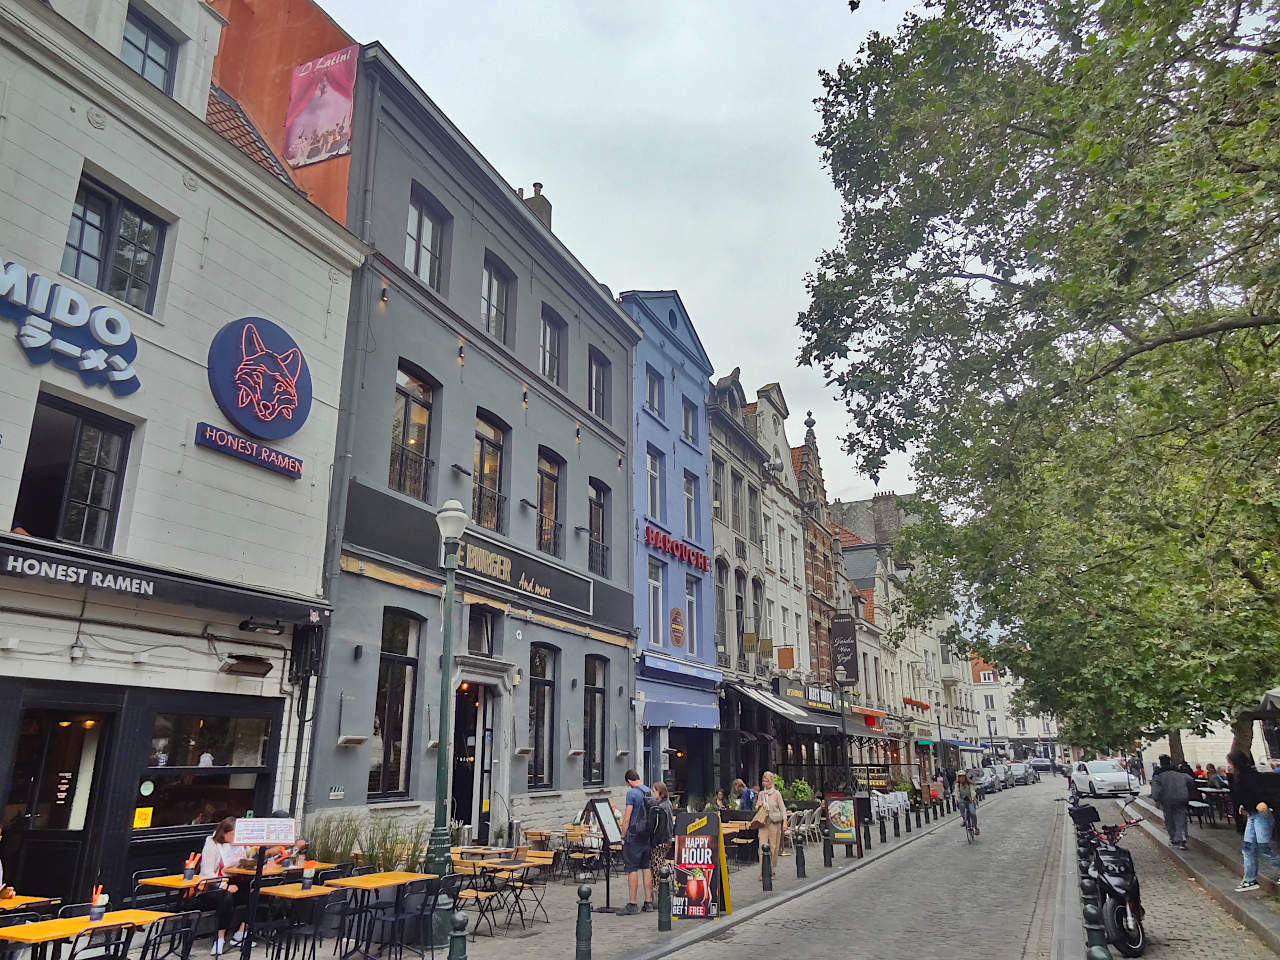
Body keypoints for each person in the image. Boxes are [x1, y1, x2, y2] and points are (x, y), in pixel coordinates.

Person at [1227, 751, 1280, 892]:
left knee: (1264, 846)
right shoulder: (1240, 777)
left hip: (1260, 814)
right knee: (1248, 847)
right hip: (1252, 813)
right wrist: (1244, 805)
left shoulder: (1250, 776)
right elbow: (1246, 794)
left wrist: (1264, 802)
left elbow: (1260, 791)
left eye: (1230, 763)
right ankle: (1250, 879)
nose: (1229, 767)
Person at [198, 817, 248, 954]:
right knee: (226, 897)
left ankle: (241, 931)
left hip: (233, 880)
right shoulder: (212, 844)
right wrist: (224, 885)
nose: (235, 838)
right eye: (232, 834)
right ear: (223, 833)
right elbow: (206, 873)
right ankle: (219, 939)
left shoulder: (238, 844)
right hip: (213, 884)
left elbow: (249, 856)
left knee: (255, 889)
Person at [618, 769, 653, 915]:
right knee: (646, 867)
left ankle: (632, 904)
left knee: (631, 868)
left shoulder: (632, 793)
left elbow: (627, 816)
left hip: (634, 834)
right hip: (647, 835)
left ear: (629, 781)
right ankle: (648, 901)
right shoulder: (649, 791)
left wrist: (622, 835)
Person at [1150, 755, 1196, 850]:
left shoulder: (1158, 774)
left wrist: (1156, 799)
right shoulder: (1179, 772)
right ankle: (1182, 836)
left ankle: (1174, 838)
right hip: (1181, 797)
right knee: (1181, 817)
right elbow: (1191, 780)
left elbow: (1156, 789)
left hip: (1167, 799)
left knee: (1169, 819)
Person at [754, 771, 786, 879]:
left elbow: (783, 809)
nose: (764, 783)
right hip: (763, 823)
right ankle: (763, 871)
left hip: (774, 823)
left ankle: (772, 870)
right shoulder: (761, 794)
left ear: (771, 781)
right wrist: (759, 805)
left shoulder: (777, 794)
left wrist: (785, 822)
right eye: (763, 781)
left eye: (766, 781)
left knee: (773, 847)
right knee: (762, 847)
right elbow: (756, 807)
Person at [649, 782, 676, 879]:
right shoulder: (668, 803)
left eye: (654, 791)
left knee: (656, 867)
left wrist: (654, 841)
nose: (653, 794)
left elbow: (659, 826)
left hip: (660, 841)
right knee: (660, 864)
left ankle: (657, 889)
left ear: (660, 792)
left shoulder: (660, 808)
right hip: (667, 838)